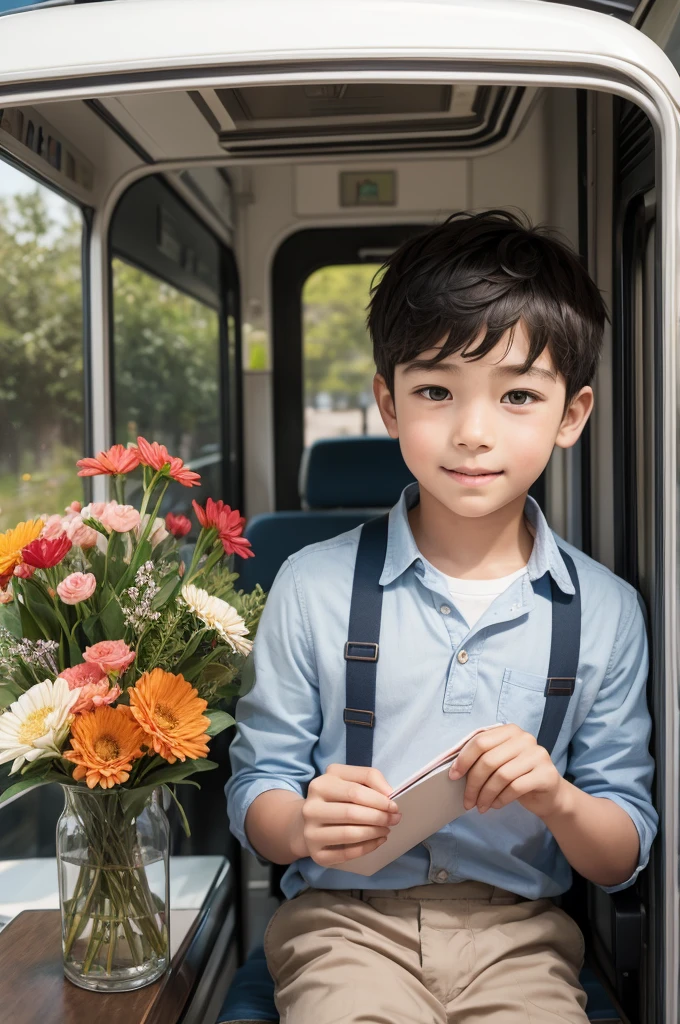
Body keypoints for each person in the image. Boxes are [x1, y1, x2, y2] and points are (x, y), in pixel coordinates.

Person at [225, 210, 658, 1023]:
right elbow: (258, 791)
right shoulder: (311, 587)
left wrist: (556, 798)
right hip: (338, 926)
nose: (472, 432)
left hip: (522, 936)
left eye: (518, 395)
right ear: (388, 404)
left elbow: (621, 852)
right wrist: (305, 823)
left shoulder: (605, 612)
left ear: (572, 415)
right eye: (435, 391)